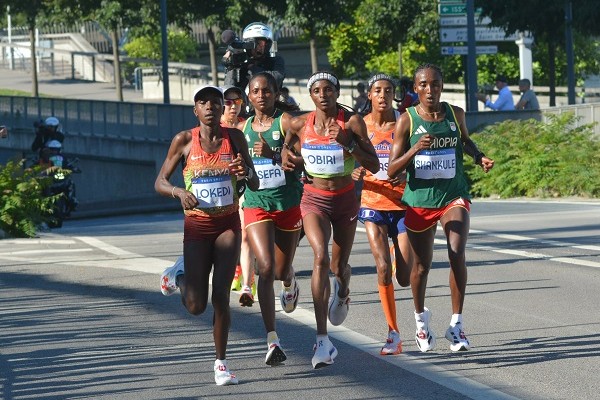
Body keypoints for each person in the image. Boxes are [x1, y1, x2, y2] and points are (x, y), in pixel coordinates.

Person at [155, 84, 258, 386]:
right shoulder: (184, 141)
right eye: (204, 103)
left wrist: (245, 173)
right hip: (197, 228)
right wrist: (178, 191)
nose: (211, 107)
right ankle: (178, 277)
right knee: (196, 306)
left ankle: (221, 364)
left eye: (216, 102)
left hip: (227, 225)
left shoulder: (235, 138)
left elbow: (253, 183)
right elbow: (159, 181)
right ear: (196, 110)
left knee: (221, 298)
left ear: (223, 108)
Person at [387, 63, 494, 353]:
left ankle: (456, 325)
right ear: (416, 88)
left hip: (452, 196)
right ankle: (421, 322)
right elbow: (392, 168)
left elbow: (465, 140)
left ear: (442, 86)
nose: (430, 90)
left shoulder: (454, 113)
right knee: (421, 267)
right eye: (423, 85)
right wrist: (414, 149)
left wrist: (479, 156)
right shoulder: (407, 120)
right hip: (420, 201)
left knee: (456, 252)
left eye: (435, 84)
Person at [282, 71, 379, 368]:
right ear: (311, 96)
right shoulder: (300, 123)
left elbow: (374, 163)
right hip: (313, 198)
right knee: (320, 257)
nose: (323, 94)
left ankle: (344, 291)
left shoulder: (351, 122)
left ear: (337, 94)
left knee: (339, 266)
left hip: (346, 199)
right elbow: (286, 151)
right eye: (317, 90)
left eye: (328, 90)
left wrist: (349, 143)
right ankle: (322, 340)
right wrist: (285, 157)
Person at [239, 72, 303, 366]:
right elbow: (241, 168)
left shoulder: (287, 121)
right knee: (264, 267)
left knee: (279, 270)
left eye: (267, 90)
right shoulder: (242, 130)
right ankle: (272, 339)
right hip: (257, 204)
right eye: (255, 91)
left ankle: (290, 282)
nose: (261, 95)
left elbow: (304, 159)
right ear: (248, 96)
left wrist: (275, 153)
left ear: (276, 93)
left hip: (288, 203)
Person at [351, 73, 412, 356]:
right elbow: (347, 157)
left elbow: (417, 159)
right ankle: (393, 333)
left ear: (394, 94)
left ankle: (397, 250)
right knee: (383, 268)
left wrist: (407, 174)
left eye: (388, 90)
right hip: (372, 202)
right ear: (369, 95)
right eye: (378, 90)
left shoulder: (405, 122)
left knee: (405, 277)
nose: (383, 95)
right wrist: (353, 170)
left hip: (401, 204)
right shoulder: (360, 125)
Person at [221, 85, 257, 306]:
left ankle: (247, 282)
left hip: (244, 187)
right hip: (222, 190)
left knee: (245, 235)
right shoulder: (214, 128)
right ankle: (236, 269)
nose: (233, 107)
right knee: (228, 236)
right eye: (228, 102)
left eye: (237, 102)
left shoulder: (246, 127)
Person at [223, 22, 285, 92]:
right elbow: (228, 91)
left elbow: (276, 78)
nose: (257, 47)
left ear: (267, 45)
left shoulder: (275, 60)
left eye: (260, 43)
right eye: (252, 43)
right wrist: (231, 66)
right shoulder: (241, 63)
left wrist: (252, 67)